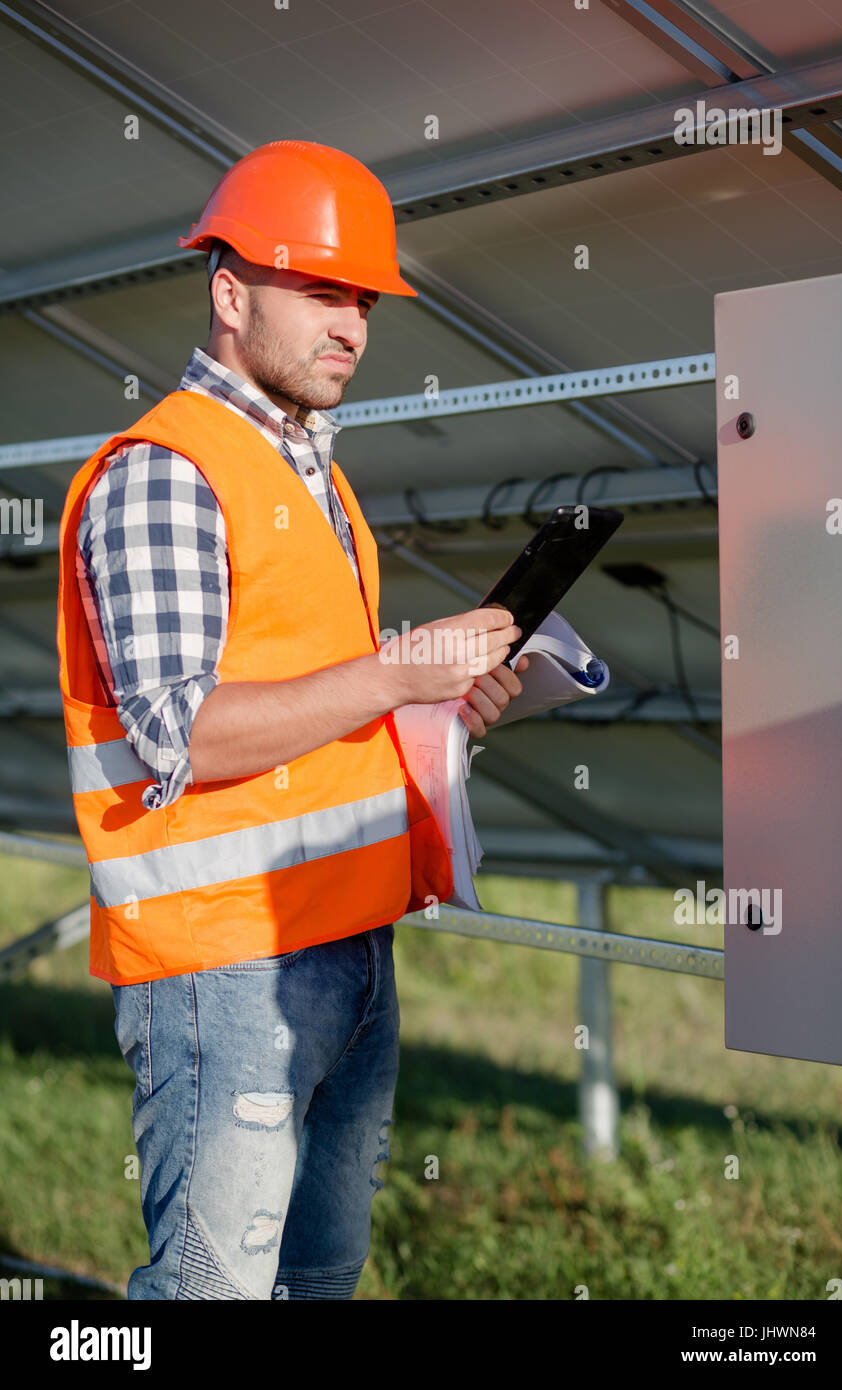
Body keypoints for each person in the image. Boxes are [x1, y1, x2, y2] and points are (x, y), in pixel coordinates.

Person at [57, 140, 530, 1300]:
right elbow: (185, 734)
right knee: (212, 1292)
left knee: (318, 1277)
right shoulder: (167, 470)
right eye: (320, 291)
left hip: (348, 946)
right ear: (230, 293)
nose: (352, 326)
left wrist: (441, 704)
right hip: (225, 968)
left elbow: (312, 702)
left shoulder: (312, 468)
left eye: (361, 299)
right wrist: (392, 676)